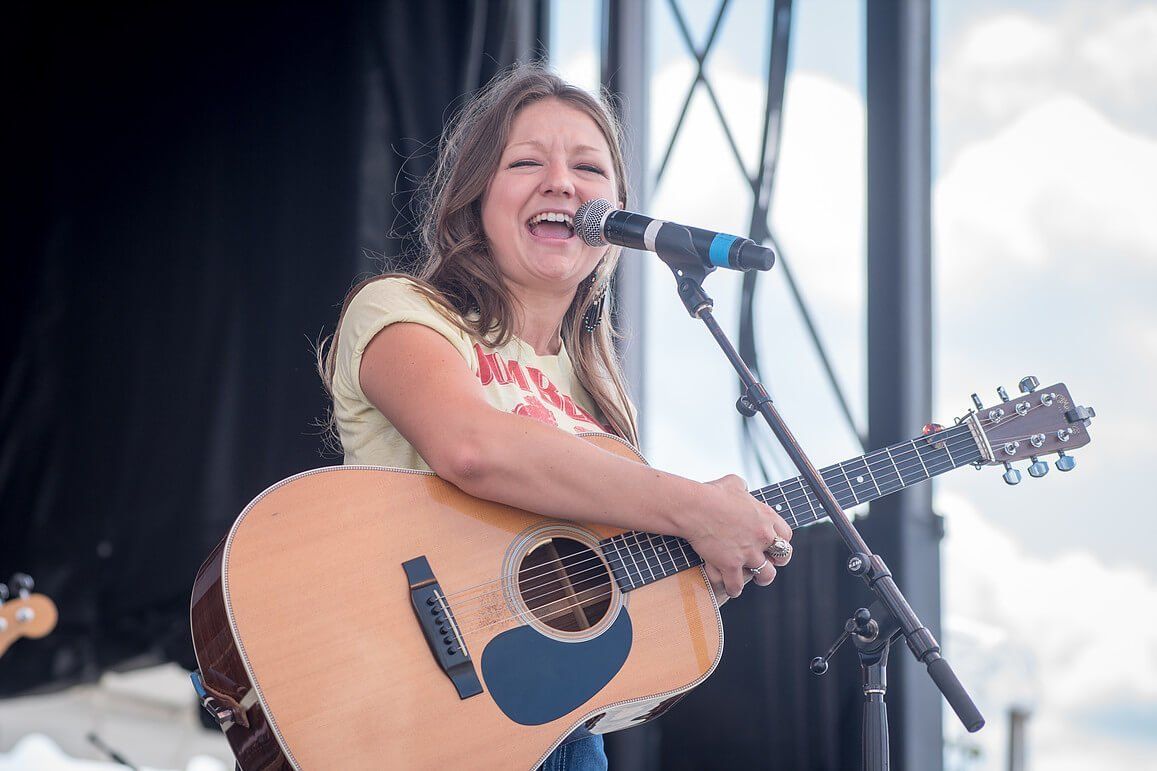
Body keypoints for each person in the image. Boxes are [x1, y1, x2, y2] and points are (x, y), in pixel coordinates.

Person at [318, 63, 792, 771]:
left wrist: (694, 571)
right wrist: (693, 507)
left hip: (551, 731)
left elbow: (583, 591)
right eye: (526, 162)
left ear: (619, 215)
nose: (563, 184)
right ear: (476, 196)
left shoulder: (599, 394)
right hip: (392, 696)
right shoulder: (401, 310)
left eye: (588, 168)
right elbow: (470, 446)